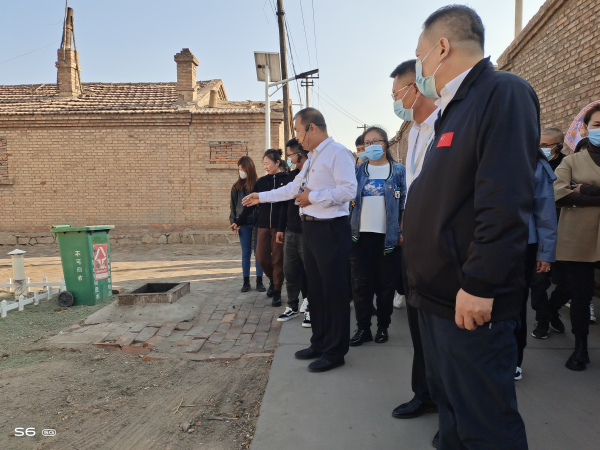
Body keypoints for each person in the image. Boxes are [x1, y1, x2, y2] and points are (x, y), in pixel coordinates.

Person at [403, 6, 538, 448]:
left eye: (420, 55)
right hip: (436, 298)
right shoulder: (452, 110)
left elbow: (505, 200)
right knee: (452, 413)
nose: (420, 67)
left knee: (485, 424)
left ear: (442, 47)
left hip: (468, 300)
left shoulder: (502, 93)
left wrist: (481, 282)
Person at [242, 107, 357, 373]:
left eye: (297, 130)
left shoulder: (337, 152)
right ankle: (320, 343)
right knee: (315, 290)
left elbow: (348, 190)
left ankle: (335, 352)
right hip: (311, 229)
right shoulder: (313, 158)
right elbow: (294, 189)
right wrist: (261, 197)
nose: (297, 137)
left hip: (331, 230)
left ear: (312, 127)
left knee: (333, 292)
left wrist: (312, 198)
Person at [389, 59, 440, 423]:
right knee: (419, 328)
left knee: (441, 335)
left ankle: (448, 407)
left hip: (440, 247)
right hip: (415, 246)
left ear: (416, 87)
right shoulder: (415, 133)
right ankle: (424, 394)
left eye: (396, 94)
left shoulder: (447, 125)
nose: (395, 102)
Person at [348, 126, 406, 346]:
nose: (371, 146)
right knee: (360, 287)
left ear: (386, 144)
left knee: (385, 287)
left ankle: (383, 327)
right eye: (367, 143)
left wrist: (401, 231)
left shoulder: (398, 170)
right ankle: (363, 328)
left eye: (376, 142)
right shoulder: (358, 172)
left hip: (388, 240)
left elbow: (404, 203)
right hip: (360, 238)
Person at [553, 103, 600, 371]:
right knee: (581, 294)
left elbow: (572, 194)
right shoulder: (571, 161)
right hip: (578, 236)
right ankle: (580, 347)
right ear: (585, 128)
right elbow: (559, 194)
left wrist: (588, 191)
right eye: (597, 125)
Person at [514, 149, 557, 381]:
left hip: (522, 245)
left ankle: (513, 359)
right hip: (479, 240)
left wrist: (545, 253)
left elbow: (545, 212)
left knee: (515, 304)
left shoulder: (534, 163)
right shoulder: (481, 153)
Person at [230, 149, 289, 307]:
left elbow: (286, 205)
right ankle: (273, 280)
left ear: (277, 163)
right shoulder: (261, 182)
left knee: (277, 259)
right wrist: (238, 221)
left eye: (268, 163)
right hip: (263, 226)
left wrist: (283, 226)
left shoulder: (287, 180)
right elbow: (249, 204)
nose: (265, 166)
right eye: (263, 164)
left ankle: (277, 290)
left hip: (279, 227)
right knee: (261, 257)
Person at [530, 128, 570, 340]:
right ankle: (543, 318)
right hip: (542, 234)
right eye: (540, 145)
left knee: (568, 282)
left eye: (546, 145)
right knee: (539, 282)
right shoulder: (534, 165)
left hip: (567, 233)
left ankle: (552, 309)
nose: (542, 149)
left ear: (559, 146)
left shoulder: (567, 165)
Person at [277, 138, 310, 327]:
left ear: (299, 154)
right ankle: (292, 306)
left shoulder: (312, 175)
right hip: (290, 231)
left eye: (290, 155)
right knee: (290, 272)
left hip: (307, 231)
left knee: (310, 272)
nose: (289, 159)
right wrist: (281, 228)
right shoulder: (291, 177)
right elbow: (284, 204)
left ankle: (311, 307)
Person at [229, 156, 266, 293]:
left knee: (258, 253)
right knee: (246, 253)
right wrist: (234, 223)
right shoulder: (236, 188)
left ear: (249, 169)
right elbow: (233, 208)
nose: (241, 172)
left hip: (258, 223)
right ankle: (246, 282)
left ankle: (259, 281)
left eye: (243, 169)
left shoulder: (259, 185)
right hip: (243, 224)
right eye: (239, 169)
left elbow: (263, 204)